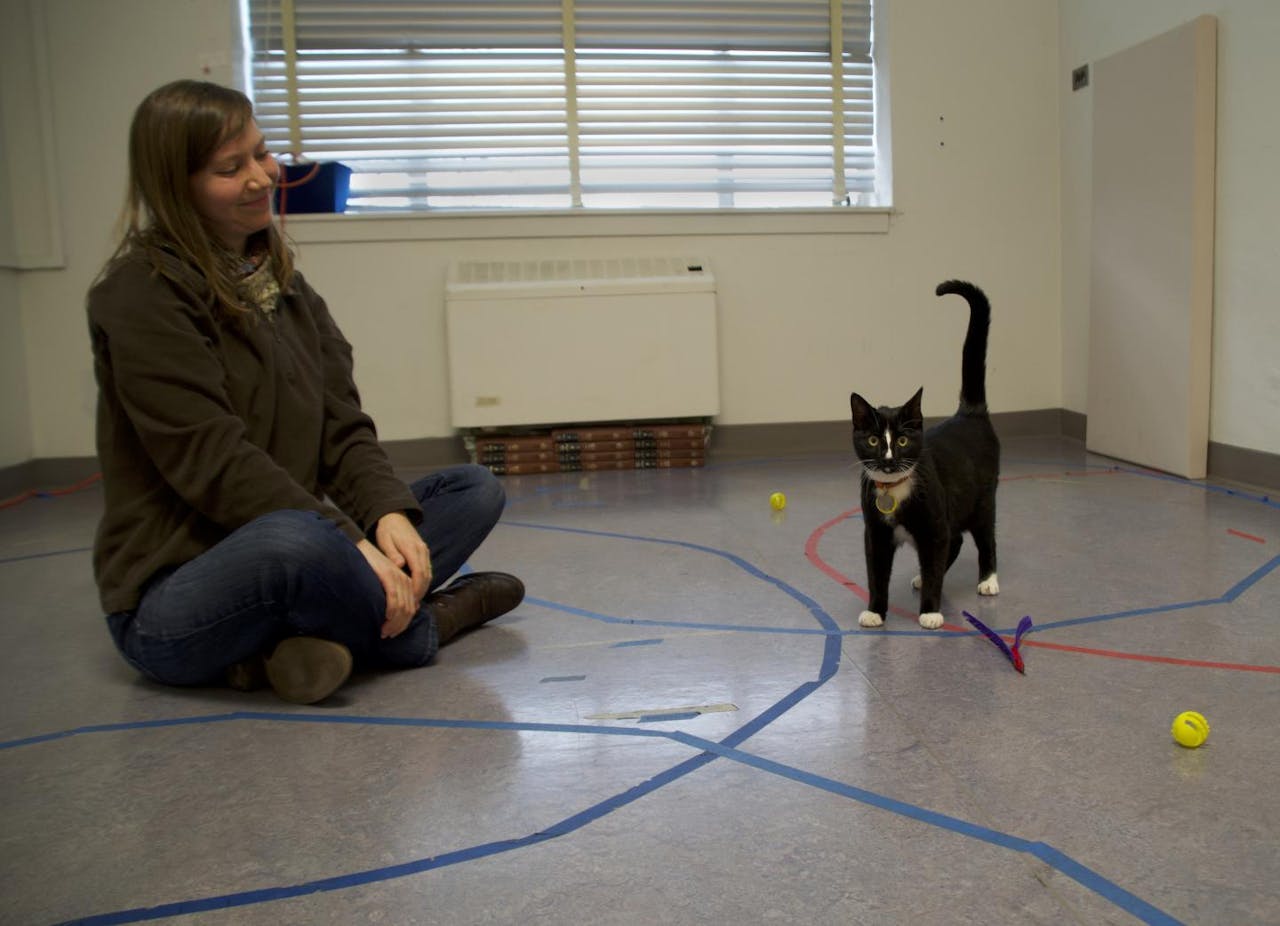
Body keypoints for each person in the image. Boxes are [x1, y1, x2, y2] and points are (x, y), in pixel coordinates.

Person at [87, 79, 524, 705]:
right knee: (295, 540)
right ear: (175, 186)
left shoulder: (285, 285)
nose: (263, 178)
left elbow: (342, 427)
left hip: (303, 551)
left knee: (471, 489)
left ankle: (279, 652)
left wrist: (384, 516)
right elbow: (214, 461)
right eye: (229, 168)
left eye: (261, 154)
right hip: (173, 599)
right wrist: (350, 543)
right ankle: (428, 625)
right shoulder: (139, 292)